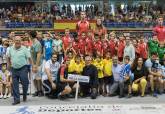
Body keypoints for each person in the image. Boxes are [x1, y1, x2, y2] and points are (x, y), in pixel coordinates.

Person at [7, 36, 32, 105]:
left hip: (23, 68)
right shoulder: (11, 49)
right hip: (14, 69)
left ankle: (24, 95)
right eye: (16, 40)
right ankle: (17, 99)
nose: (17, 41)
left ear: (21, 41)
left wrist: (33, 66)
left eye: (19, 40)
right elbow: (8, 57)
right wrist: (8, 64)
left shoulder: (24, 49)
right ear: (14, 41)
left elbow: (29, 58)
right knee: (15, 85)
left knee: (25, 83)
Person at [30, 31, 43, 97]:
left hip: (38, 64)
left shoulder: (37, 43)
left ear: (31, 36)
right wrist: (32, 65)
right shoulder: (32, 43)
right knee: (34, 78)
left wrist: (36, 66)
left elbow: (39, 55)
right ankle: (36, 90)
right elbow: (31, 55)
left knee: (38, 78)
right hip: (33, 64)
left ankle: (40, 91)